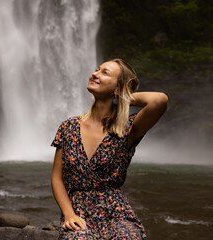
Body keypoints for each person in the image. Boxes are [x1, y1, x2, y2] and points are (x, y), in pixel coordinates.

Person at [50, 58, 168, 239]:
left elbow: (159, 100)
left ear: (118, 88)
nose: (95, 74)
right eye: (97, 70)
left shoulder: (127, 129)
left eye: (105, 73)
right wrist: (69, 214)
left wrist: (120, 97)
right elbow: (57, 177)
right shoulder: (69, 127)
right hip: (78, 212)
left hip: (116, 213)